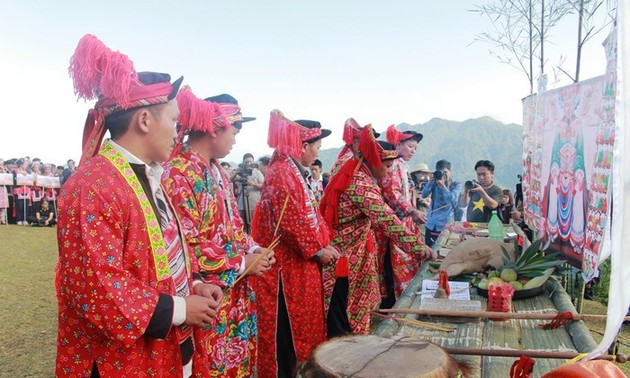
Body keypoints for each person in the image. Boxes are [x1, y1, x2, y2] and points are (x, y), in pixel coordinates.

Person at [55, 34, 223, 377]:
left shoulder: (149, 176)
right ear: (144, 120)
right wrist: (180, 309)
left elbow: (151, 261)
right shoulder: (93, 186)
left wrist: (191, 287)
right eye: (174, 122)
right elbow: (96, 288)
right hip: (123, 360)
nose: (179, 133)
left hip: (165, 350)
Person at [163, 88, 274, 377]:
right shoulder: (179, 174)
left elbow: (234, 226)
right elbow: (183, 246)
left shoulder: (217, 171)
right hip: (207, 298)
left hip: (234, 293)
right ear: (214, 128)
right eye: (234, 130)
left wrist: (252, 249)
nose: (236, 138)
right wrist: (240, 263)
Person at [320, 126, 434, 337]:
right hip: (345, 257)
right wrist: (419, 248)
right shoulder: (360, 184)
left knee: (350, 307)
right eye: (388, 166)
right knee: (342, 311)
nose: (389, 171)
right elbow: (387, 220)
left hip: (353, 252)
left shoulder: (356, 172)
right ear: (375, 162)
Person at [251, 110, 339, 378]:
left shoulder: (291, 170)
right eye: (317, 147)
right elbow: (291, 223)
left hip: (298, 268)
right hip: (284, 274)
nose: (317, 154)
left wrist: (323, 244)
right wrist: (319, 250)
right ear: (303, 146)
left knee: (299, 335)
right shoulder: (282, 172)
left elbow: (307, 217)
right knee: (286, 337)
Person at [377, 124, 425, 306]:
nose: (413, 151)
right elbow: (392, 193)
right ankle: (392, 304)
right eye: (410, 146)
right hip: (392, 223)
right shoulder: (393, 165)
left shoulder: (402, 166)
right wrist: (411, 211)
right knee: (391, 264)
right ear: (398, 145)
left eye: (415, 148)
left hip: (404, 222)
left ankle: (400, 300)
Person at [422, 159, 463, 247]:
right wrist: (430, 182)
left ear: (450, 171)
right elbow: (424, 195)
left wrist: (443, 186)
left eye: (445, 172)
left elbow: (453, 200)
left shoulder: (456, 184)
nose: (443, 175)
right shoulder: (434, 182)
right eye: (440, 173)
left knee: (442, 252)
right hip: (431, 223)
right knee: (429, 250)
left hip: (446, 225)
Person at [233, 153, 264, 232]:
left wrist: (254, 184)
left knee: (253, 223)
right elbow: (229, 180)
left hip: (253, 202)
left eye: (250, 162)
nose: (248, 164)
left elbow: (264, 185)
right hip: (241, 202)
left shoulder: (257, 172)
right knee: (242, 223)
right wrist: (236, 173)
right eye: (246, 162)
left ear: (253, 162)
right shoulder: (239, 172)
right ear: (243, 162)